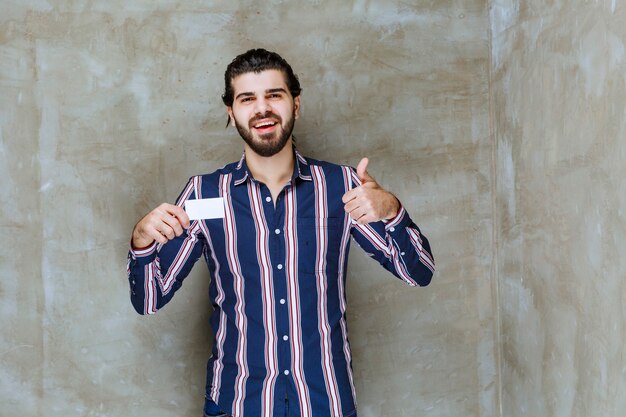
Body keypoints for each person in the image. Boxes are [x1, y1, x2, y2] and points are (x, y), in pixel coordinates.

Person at [127, 48, 435, 417]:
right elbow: (148, 300)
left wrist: (391, 210)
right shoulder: (203, 195)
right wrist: (142, 242)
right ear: (232, 112)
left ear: (296, 104)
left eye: (274, 95)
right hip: (237, 402)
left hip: (326, 402)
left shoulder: (342, 187)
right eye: (247, 99)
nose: (262, 109)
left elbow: (419, 273)